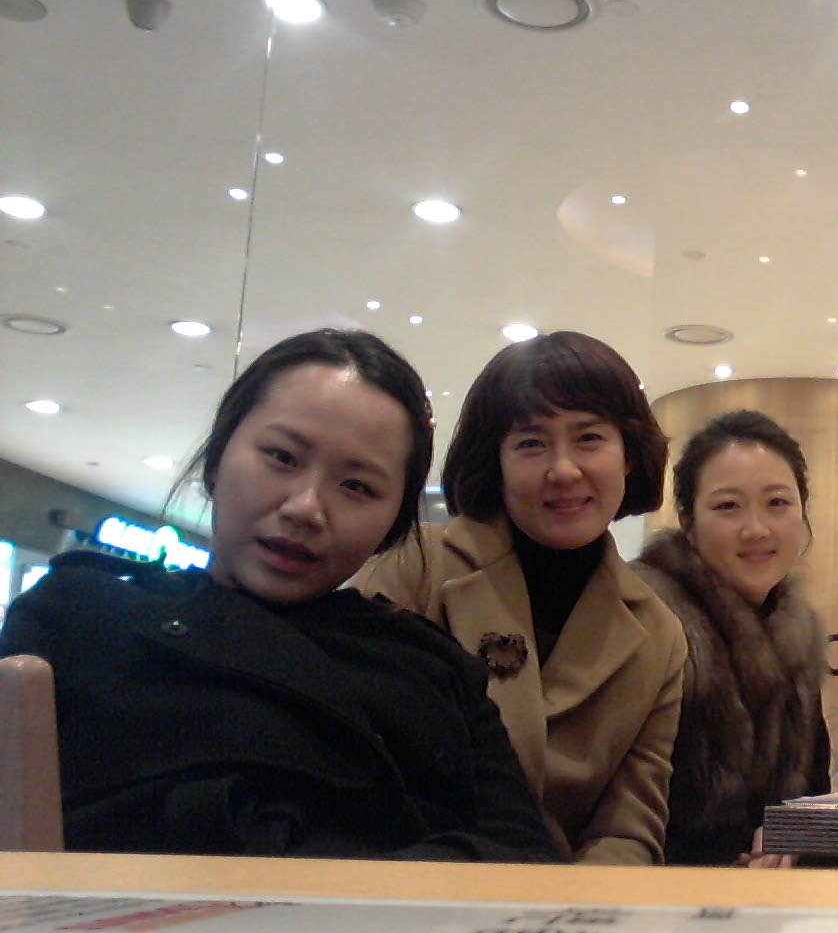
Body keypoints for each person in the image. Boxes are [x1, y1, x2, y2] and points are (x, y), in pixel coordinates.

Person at [0, 330, 557, 862]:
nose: (306, 508)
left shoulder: (436, 671)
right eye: (282, 458)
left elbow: (522, 861)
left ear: (391, 523)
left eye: (357, 486)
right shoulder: (80, 613)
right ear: (217, 458)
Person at [353, 331, 686, 865]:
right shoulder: (417, 567)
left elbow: (627, 831)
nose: (564, 469)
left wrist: (571, 911)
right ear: (496, 460)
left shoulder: (659, 635)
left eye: (589, 438)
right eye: (531, 443)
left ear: (629, 455)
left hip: (564, 907)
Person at [632, 410, 832, 866]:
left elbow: (810, 799)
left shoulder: (795, 639)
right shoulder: (647, 623)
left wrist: (789, 840)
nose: (756, 529)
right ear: (688, 522)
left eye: (777, 503)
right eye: (727, 507)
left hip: (767, 899)